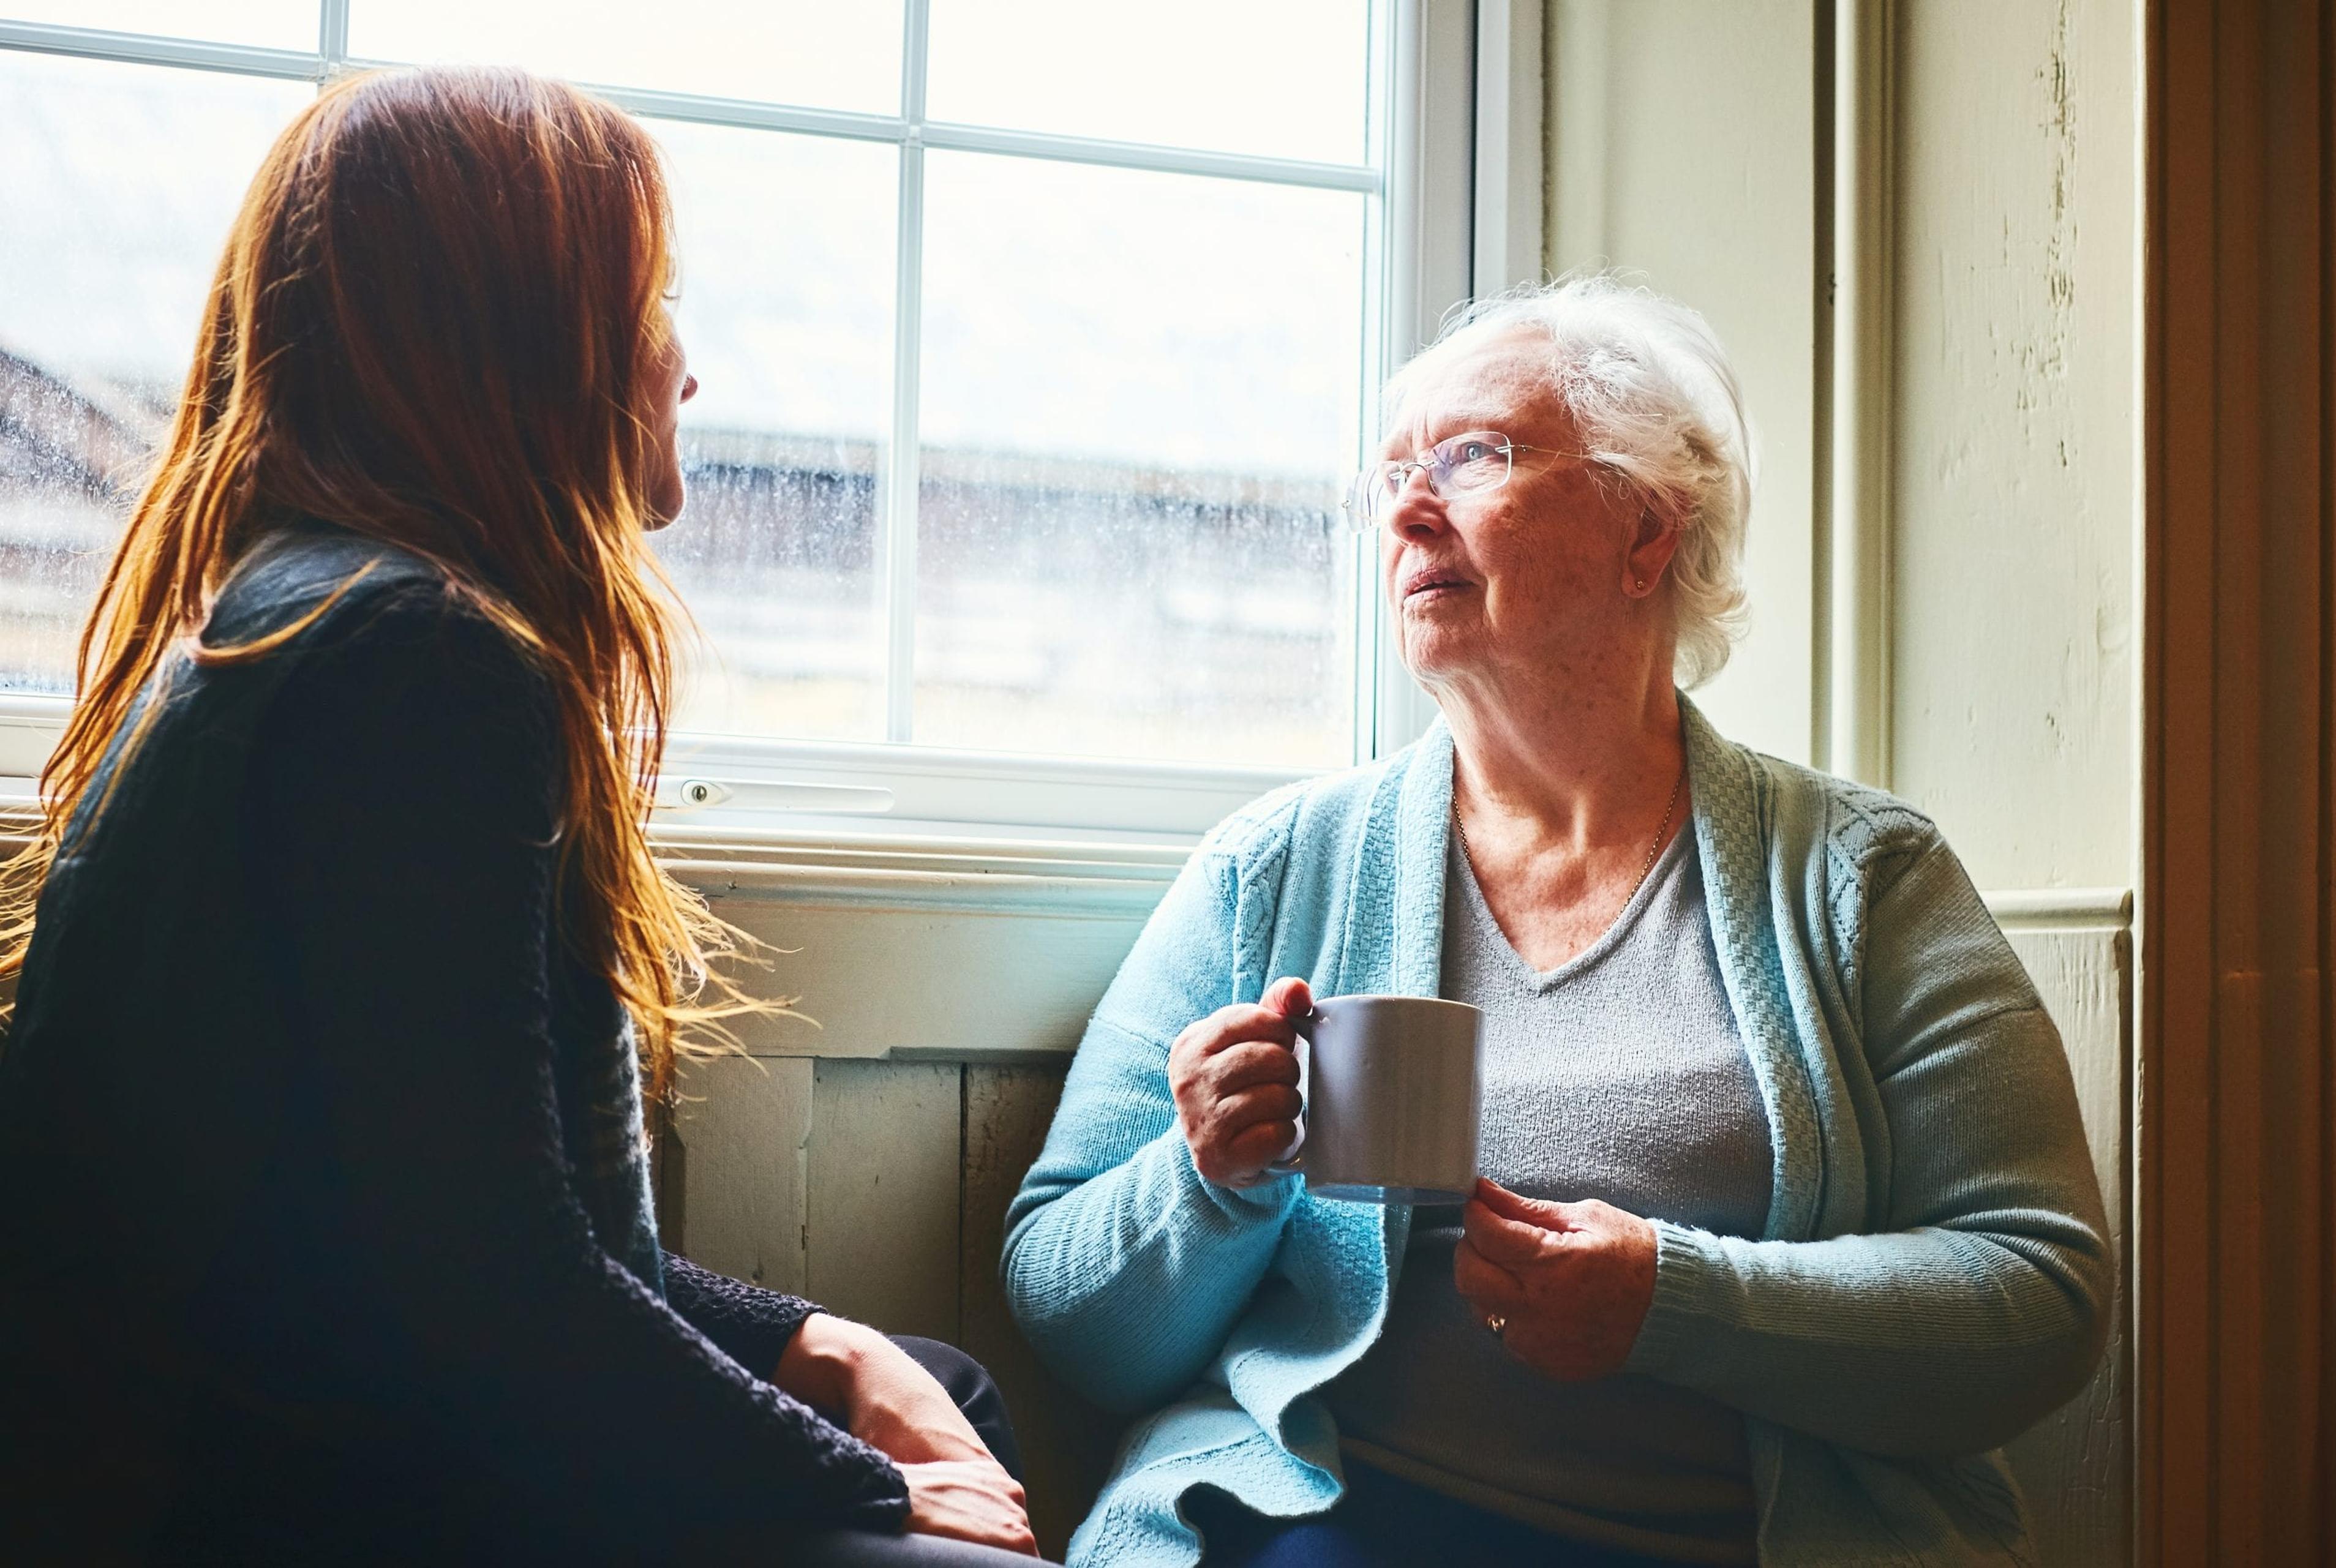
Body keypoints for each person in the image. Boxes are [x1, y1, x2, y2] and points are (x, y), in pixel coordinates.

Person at [0, 66, 1040, 1566]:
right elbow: (487, 1282)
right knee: (951, 1516)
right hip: (284, 1491)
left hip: (315, 1416)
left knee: (933, 1384)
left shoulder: (315, 613)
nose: (686, 363)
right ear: (527, 345)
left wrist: (815, 1341)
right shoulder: (416, 659)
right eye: (651, 299)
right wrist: (864, 1488)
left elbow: (465, 1213)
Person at [1000, 275, 2113, 1567]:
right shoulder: (1275, 867)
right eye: (1395, 475)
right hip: (1336, 1525)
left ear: (1648, 530)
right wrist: (1207, 1179)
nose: (1410, 509)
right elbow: (1065, 1308)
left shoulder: (1864, 878)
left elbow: (2041, 1295)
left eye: (1474, 457)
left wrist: (1678, 1302)